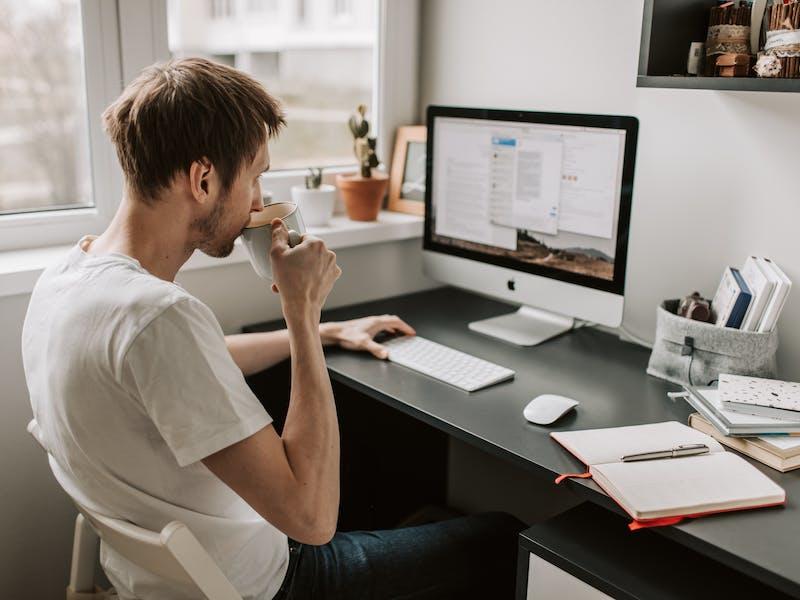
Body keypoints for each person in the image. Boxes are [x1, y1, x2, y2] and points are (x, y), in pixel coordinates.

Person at [22, 58, 523, 599]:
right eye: (256, 176)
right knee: (504, 537)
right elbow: (311, 521)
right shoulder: (160, 316)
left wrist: (327, 333)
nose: (259, 203)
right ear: (203, 179)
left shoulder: (68, 278)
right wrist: (303, 316)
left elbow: (179, 367)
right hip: (269, 584)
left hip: (151, 579)